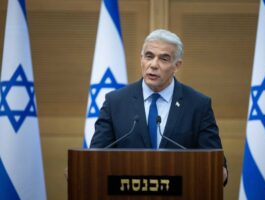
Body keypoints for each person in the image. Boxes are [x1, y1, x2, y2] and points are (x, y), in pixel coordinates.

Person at [90, 29, 228, 184]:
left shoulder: (198, 105)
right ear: (141, 58)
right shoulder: (115, 102)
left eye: (164, 59)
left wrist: (219, 171)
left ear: (177, 65)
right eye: (149, 56)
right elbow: (95, 157)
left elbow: (215, 163)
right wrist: (83, 168)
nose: (153, 65)